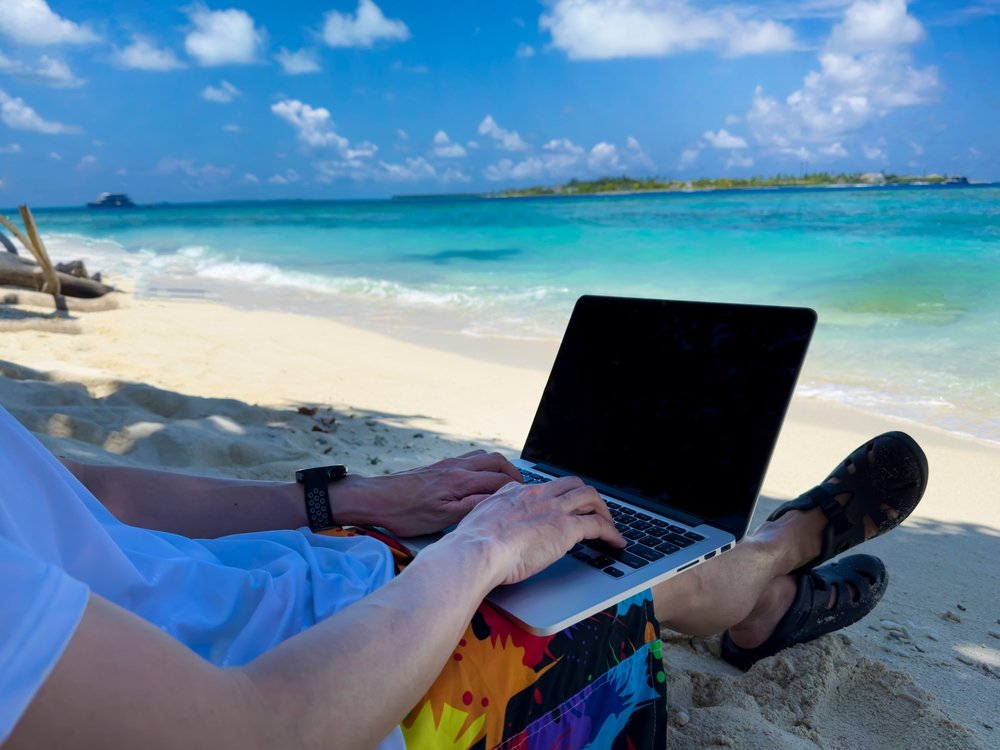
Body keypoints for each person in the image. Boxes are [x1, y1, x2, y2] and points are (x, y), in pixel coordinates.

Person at [0, 403, 927, 750]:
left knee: (573, 541)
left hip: (319, 588)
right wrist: (478, 553)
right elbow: (256, 733)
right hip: (342, 688)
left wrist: (352, 497)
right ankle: (775, 567)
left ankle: (761, 591)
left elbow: (84, 496)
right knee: (628, 587)